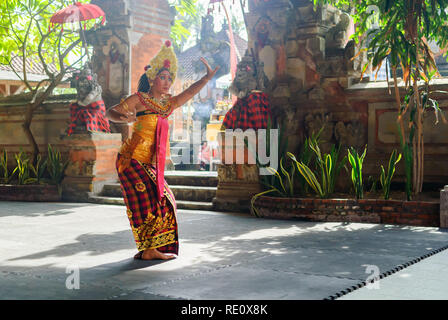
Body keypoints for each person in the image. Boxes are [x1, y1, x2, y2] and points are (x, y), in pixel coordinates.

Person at [107, 40, 219, 260]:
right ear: (152, 78)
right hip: (130, 159)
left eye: (170, 78)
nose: (167, 82)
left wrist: (206, 79)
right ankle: (149, 250)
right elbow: (111, 112)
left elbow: (188, 93)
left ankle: (151, 248)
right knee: (147, 202)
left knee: (166, 200)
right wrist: (124, 117)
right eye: (163, 77)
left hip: (149, 163)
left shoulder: (167, 105)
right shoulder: (139, 99)